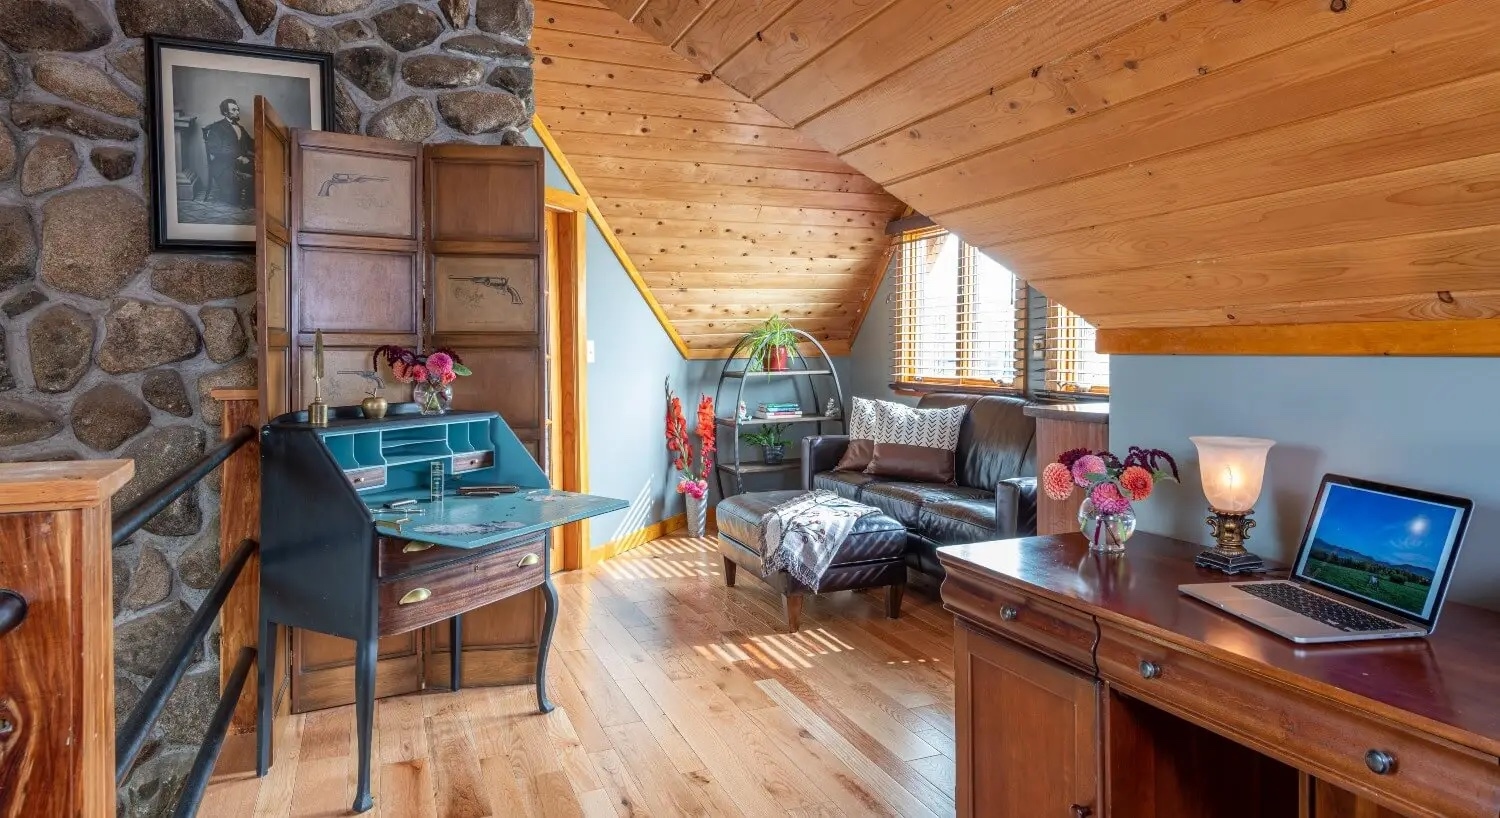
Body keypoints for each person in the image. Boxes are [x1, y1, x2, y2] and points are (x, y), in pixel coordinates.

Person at [202, 98, 254, 206]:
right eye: (234, 110)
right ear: (225, 112)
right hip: (224, 166)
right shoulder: (217, 127)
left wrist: (266, 148)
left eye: (237, 109)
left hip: (240, 163)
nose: (237, 112)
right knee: (234, 197)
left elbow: (251, 144)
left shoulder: (241, 128)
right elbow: (214, 149)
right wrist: (238, 156)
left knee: (261, 168)